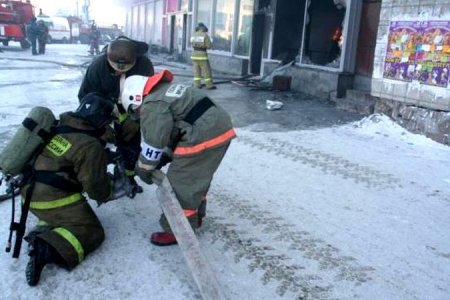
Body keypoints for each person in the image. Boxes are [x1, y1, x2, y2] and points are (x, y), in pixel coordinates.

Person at [121, 70, 236, 246]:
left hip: (203, 136)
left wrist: (144, 169)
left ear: (136, 98)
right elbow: (179, 125)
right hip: (220, 128)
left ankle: (177, 230)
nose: (138, 114)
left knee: (180, 185)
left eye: (136, 111)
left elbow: (154, 142)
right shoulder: (167, 89)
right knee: (196, 178)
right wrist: (166, 155)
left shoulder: (153, 104)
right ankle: (195, 217)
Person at [23, 93, 123, 286]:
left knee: (63, 208)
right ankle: (44, 249)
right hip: (51, 200)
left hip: (29, 194)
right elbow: (95, 188)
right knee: (92, 232)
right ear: (100, 119)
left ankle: (45, 227)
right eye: (107, 122)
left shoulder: (60, 126)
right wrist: (109, 192)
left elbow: (66, 156)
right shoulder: (89, 145)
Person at [78, 36, 154, 196]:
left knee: (131, 146)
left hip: (131, 110)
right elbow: (86, 97)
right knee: (97, 147)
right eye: (116, 68)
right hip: (104, 110)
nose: (119, 71)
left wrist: (138, 115)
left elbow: (149, 93)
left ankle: (127, 178)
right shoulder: (98, 66)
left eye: (125, 68)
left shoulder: (144, 65)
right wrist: (99, 122)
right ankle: (97, 181)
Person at [190, 22, 216, 89]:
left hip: (194, 55)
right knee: (206, 71)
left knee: (196, 71)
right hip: (202, 56)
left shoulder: (193, 35)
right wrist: (210, 42)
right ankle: (209, 85)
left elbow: (192, 44)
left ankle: (197, 85)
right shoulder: (205, 35)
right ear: (203, 28)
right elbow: (209, 46)